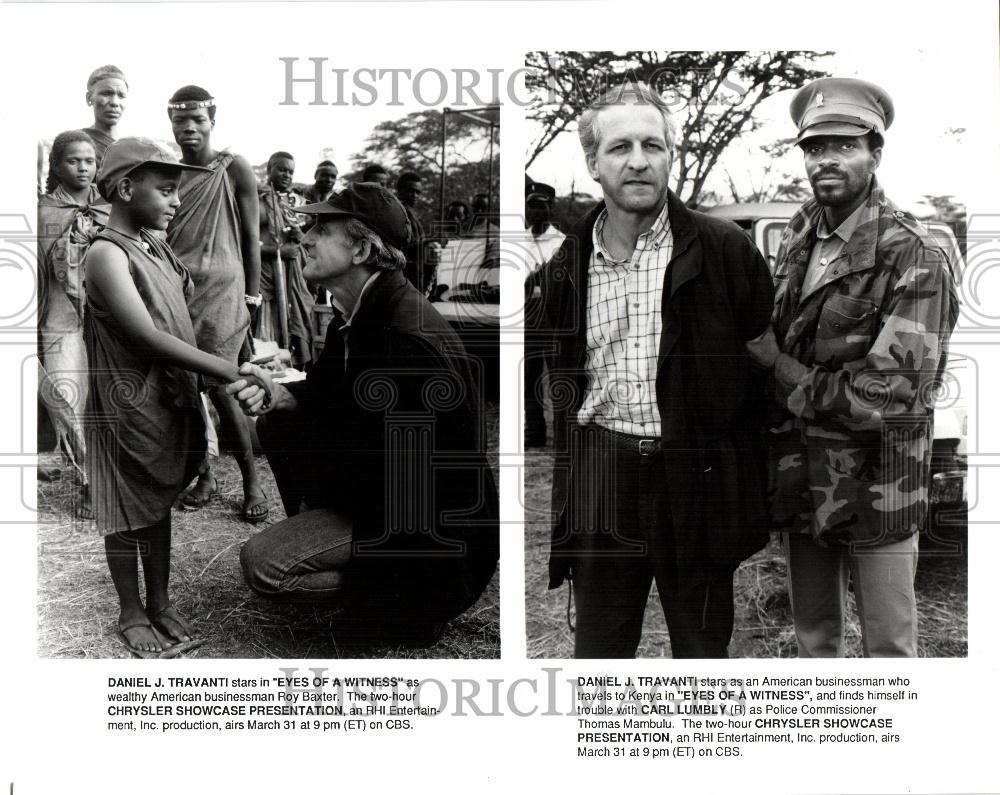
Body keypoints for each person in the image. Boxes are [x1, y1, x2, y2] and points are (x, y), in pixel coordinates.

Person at [533, 82, 774, 658]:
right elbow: (558, 374)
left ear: (671, 155)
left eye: (652, 145)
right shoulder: (567, 263)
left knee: (701, 649)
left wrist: (734, 475)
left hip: (696, 476)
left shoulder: (725, 250)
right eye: (619, 148)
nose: (638, 161)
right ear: (593, 163)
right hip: (602, 476)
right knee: (600, 651)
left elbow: (761, 366)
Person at [228, 183, 499, 643]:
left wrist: (307, 432)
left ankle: (405, 606)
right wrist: (283, 393)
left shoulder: (401, 340)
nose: (306, 236)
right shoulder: (364, 311)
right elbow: (337, 395)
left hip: (433, 538)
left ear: (361, 248)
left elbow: (399, 480)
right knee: (278, 422)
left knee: (265, 566)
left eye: (321, 227)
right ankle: (368, 575)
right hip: (390, 503)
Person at [746, 78, 959, 658]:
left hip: (879, 484)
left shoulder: (912, 254)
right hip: (803, 476)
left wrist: (779, 368)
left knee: (889, 648)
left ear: (875, 153)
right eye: (815, 148)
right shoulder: (799, 231)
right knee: (814, 639)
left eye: (843, 146)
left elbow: (889, 395)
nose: (826, 161)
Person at [84, 138, 269, 657]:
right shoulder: (106, 253)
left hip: (164, 399)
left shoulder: (154, 245)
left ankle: (160, 601)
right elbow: (147, 336)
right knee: (126, 508)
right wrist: (231, 370)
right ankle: (131, 609)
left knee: (158, 500)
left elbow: (182, 311)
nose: (177, 202)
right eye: (166, 190)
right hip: (125, 404)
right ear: (125, 188)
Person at [165, 85, 268, 523]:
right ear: (170, 123)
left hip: (226, 293)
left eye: (197, 120)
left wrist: (254, 292)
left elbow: (251, 236)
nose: (189, 128)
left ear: (212, 120)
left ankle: (252, 480)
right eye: (180, 121)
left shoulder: (234, 167)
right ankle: (205, 475)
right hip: (178, 292)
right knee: (188, 391)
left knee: (225, 387)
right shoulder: (167, 171)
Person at [37, 130, 110, 517]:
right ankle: (87, 481)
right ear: (57, 165)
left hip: (102, 320)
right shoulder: (43, 211)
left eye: (89, 160)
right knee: (66, 398)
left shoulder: (109, 209)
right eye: (73, 160)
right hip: (59, 319)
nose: (83, 167)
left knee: (104, 400)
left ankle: (105, 481)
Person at [257, 151, 314, 368]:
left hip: (293, 277)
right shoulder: (260, 201)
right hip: (268, 278)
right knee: (270, 329)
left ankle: (295, 372)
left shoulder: (293, 203)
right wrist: (279, 251)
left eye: (291, 171)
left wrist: (299, 238)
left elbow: (300, 239)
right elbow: (247, 244)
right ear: (269, 170)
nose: (287, 175)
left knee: (295, 323)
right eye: (282, 169)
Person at [522, 180, 565, 447]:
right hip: (527, 317)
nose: (537, 211)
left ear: (550, 208)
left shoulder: (561, 242)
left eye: (542, 206)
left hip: (553, 318)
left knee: (559, 379)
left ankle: (563, 434)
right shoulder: (517, 240)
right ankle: (534, 434)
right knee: (530, 380)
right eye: (532, 206)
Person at [82, 65, 128, 170]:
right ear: (89, 98)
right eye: (106, 94)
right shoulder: (76, 143)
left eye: (121, 96)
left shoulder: (132, 147)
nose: (115, 103)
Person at [394, 171, 433, 292]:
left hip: (417, 270)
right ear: (399, 190)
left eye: (418, 192)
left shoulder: (412, 212)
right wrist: (429, 241)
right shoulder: (397, 212)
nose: (415, 195)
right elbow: (401, 247)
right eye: (411, 191)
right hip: (404, 273)